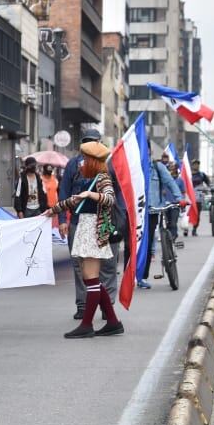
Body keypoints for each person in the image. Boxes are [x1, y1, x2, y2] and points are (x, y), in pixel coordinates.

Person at [47, 141, 124, 338]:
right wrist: (52, 211)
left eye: (85, 158)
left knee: (91, 278)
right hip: (85, 227)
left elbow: (109, 198)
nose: (81, 162)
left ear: (92, 161)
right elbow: (74, 200)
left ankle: (87, 324)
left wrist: (90, 194)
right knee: (91, 278)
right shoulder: (86, 177)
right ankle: (113, 322)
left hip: (93, 230)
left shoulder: (103, 178)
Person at [63, 128, 124, 314]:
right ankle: (83, 306)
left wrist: (120, 219)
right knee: (81, 267)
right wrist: (59, 217)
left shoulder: (110, 167)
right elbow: (65, 192)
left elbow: (115, 196)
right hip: (78, 222)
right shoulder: (74, 164)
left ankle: (108, 309)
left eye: (93, 142)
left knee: (107, 266)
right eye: (86, 143)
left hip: (105, 222)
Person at [139, 150, 183, 288]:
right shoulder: (134, 165)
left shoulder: (157, 167)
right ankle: (132, 274)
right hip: (137, 211)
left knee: (148, 241)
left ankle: (142, 277)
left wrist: (179, 198)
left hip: (153, 210)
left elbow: (170, 182)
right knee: (134, 244)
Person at [189, 159, 210, 236]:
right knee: (187, 213)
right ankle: (186, 228)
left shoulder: (202, 174)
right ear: (192, 165)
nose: (196, 165)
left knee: (197, 214)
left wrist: (208, 189)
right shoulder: (188, 174)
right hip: (189, 197)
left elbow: (208, 183)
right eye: (194, 164)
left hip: (198, 197)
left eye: (198, 164)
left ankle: (194, 229)